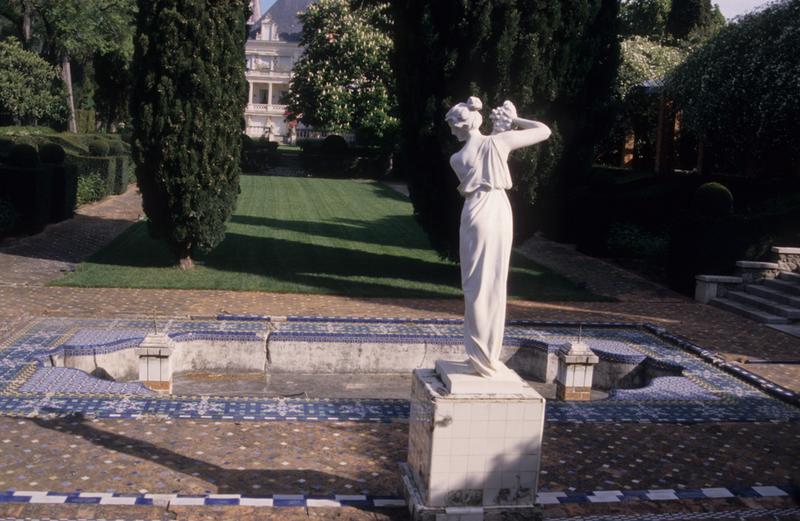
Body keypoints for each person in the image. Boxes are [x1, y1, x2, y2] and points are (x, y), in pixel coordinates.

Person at [445, 96, 551, 378]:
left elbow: (483, 153)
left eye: (452, 127)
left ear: (460, 125)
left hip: (474, 214)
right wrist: (513, 120)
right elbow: (544, 130)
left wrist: (502, 128)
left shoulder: (457, 158)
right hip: (498, 211)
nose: (451, 133)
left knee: (475, 287)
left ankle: (479, 356)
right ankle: (485, 356)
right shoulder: (498, 143)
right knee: (493, 283)